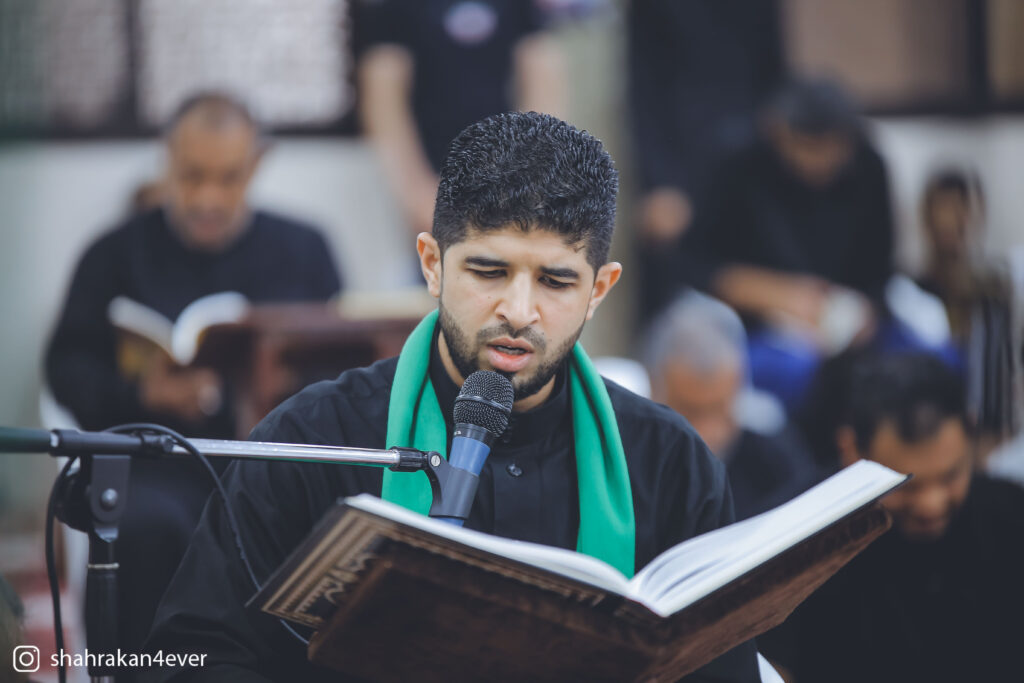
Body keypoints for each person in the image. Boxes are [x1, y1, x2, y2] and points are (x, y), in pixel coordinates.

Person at [143, 112, 760, 682]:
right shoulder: (315, 438)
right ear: (432, 264)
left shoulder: (669, 462)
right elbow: (189, 654)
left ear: (599, 290)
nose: (518, 311)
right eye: (489, 272)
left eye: (555, 281)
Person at [44, 92, 342, 664]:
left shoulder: (305, 249)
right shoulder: (112, 254)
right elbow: (67, 367)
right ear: (167, 159)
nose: (208, 198)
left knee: (321, 518)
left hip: (269, 462)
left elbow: (340, 367)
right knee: (146, 526)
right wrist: (141, 393)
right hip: (152, 462)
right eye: (192, 176)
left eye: (227, 178)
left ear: (256, 164)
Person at [759, 352, 1024, 682]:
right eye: (907, 485)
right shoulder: (794, 543)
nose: (931, 504)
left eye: (950, 476)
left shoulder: (1012, 516)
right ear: (851, 451)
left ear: (971, 440)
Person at [672, 79, 896, 409]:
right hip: (754, 327)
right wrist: (773, 294)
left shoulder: (868, 167)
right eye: (808, 147)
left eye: (831, 149)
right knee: (797, 375)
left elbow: (881, 272)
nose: (819, 162)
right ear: (778, 132)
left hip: (848, 324)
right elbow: (692, 265)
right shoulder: (737, 162)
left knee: (919, 363)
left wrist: (861, 314)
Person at [353, 0, 566, 240]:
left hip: (502, 171)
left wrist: (526, 178)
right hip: (426, 172)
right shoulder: (394, 8)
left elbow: (542, 82)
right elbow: (383, 100)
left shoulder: (519, 7)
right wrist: (415, 192)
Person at [628, 0, 784, 321]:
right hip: (681, 162)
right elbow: (644, 87)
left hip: (750, 160)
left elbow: (772, 72)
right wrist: (659, 181)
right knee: (677, 285)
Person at [644, 292, 821, 520]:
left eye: (721, 409)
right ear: (653, 391)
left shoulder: (773, 457)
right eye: (690, 412)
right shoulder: (629, 460)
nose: (706, 433)